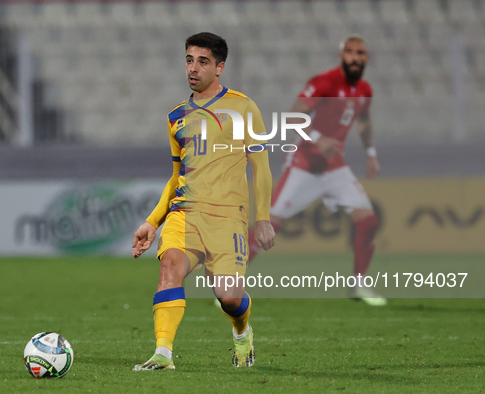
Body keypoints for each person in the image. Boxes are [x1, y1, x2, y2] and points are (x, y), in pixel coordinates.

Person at [131, 32, 276, 371]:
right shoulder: (175, 117)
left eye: (203, 61)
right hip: (185, 215)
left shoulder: (243, 107)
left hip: (228, 219)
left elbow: (261, 167)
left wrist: (264, 218)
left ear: (220, 67)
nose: (193, 68)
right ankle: (162, 355)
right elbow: (175, 177)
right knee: (169, 270)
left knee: (229, 297)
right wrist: (152, 222)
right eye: (189, 60)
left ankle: (243, 333)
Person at [247, 35, 386, 306]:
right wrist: (319, 138)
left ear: (366, 58)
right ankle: (231, 284)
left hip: (335, 169)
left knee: (368, 222)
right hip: (305, 166)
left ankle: (358, 285)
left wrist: (371, 154)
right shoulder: (324, 82)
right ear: (341, 55)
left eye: (361, 53)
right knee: (268, 225)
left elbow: (364, 122)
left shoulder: (364, 90)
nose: (356, 58)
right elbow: (292, 116)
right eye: (350, 52)